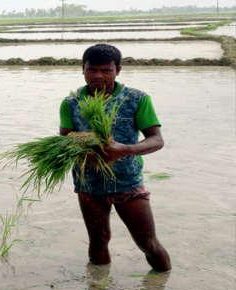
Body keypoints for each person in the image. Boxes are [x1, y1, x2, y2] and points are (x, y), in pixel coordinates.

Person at [58, 43, 171, 271]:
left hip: (127, 181)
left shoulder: (136, 99)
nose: (98, 76)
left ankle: (162, 286)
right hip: (89, 184)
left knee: (147, 243)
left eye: (106, 70)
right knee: (98, 241)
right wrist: (84, 151)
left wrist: (124, 149)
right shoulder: (71, 103)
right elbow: (65, 140)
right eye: (92, 69)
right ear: (83, 69)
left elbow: (156, 140)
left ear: (117, 70)